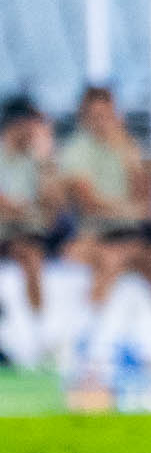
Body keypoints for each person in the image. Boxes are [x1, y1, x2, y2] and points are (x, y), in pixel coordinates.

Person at [54, 85, 151, 333]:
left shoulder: (127, 147)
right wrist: (131, 210)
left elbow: (147, 202)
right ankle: (86, 336)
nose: (102, 122)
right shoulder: (75, 151)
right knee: (117, 258)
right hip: (99, 236)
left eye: (107, 115)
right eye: (96, 116)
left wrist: (129, 157)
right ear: (84, 117)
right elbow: (91, 204)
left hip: (136, 235)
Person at [0, 96, 58, 317]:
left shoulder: (39, 159)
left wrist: (45, 161)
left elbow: (51, 210)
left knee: (31, 255)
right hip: (9, 231)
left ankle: (38, 329)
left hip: (26, 235)